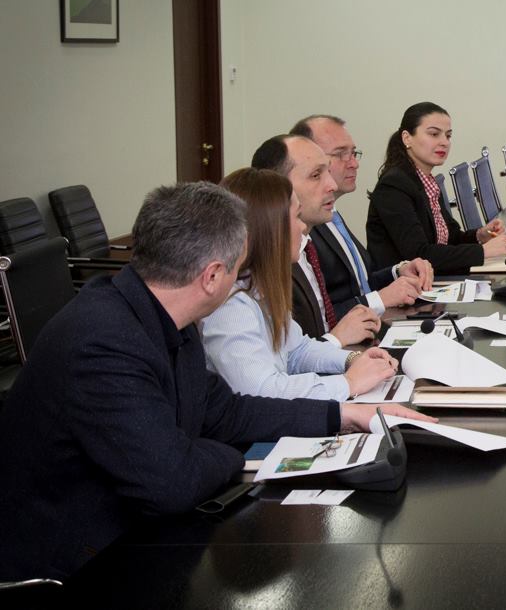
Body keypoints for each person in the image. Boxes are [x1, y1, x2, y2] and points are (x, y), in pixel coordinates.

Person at [0, 182, 426, 582]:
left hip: (133, 532)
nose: (243, 281)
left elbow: (226, 410)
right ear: (211, 276)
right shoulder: (103, 341)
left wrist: (342, 415)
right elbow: (173, 482)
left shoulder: (164, 314)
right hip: (73, 568)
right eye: (238, 269)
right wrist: (231, 455)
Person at [201, 168, 400, 401]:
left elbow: (297, 350)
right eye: (297, 217)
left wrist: (352, 360)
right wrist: (349, 383)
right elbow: (261, 391)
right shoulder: (230, 305)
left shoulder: (258, 286)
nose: (303, 227)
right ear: (272, 230)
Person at [288, 114, 434, 317]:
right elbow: (319, 316)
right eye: (341, 154)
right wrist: (380, 299)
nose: (354, 163)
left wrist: (398, 271)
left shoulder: (332, 215)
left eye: (353, 153)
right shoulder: (303, 228)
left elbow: (360, 283)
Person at [251, 134, 381, 345]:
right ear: (277, 188)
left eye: (328, 172)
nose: (332, 185)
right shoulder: (267, 261)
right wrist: (337, 339)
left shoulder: (306, 245)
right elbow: (289, 357)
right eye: (315, 175)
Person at [366, 102, 506, 273]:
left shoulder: (427, 181)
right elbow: (419, 254)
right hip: (406, 285)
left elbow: (450, 238)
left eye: (448, 136)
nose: (444, 142)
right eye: (434, 134)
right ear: (407, 138)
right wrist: (483, 251)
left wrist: (480, 235)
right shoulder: (394, 186)